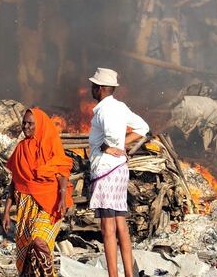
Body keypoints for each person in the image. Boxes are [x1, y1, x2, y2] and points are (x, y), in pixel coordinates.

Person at [87, 68, 150, 277]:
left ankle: (113, 275)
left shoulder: (105, 111)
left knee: (107, 229)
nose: (92, 89)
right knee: (120, 223)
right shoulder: (120, 107)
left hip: (106, 170)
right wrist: (123, 146)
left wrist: (109, 147)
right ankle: (129, 274)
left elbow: (111, 138)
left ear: (102, 88)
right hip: (119, 170)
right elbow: (143, 128)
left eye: (94, 86)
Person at [3, 107, 73, 277]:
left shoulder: (50, 145)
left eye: (31, 124)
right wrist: (6, 212)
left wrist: (62, 198)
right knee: (27, 253)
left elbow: (62, 173)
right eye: (24, 123)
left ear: (40, 125)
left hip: (50, 206)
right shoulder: (20, 149)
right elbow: (15, 182)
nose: (26, 127)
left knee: (39, 242)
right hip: (26, 208)